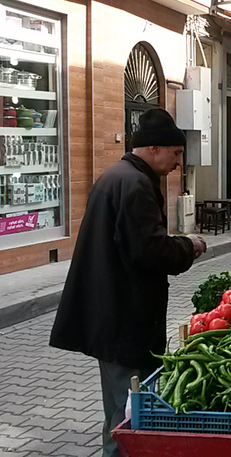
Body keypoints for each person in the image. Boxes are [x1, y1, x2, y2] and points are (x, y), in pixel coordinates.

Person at [49, 108, 207, 457]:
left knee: (122, 410)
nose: (179, 163)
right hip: (123, 317)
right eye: (176, 153)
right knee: (127, 418)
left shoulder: (117, 176)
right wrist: (188, 247)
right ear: (153, 148)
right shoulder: (134, 184)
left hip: (114, 311)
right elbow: (148, 250)